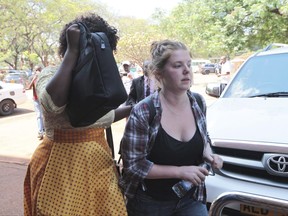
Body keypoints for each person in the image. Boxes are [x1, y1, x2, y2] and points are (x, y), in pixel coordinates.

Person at [23, 13, 129, 216]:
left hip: (97, 163)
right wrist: (73, 52)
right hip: (59, 167)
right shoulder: (50, 73)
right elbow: (52, 104)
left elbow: (101, 119)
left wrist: (135, 107)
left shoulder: (98, 81)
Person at [119, 39, 223, 216]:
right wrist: (179, 172)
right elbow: (134, 166)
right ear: (159, 74)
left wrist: (209, 153)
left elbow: (203, 136)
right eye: (177, 65)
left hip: (191, 199)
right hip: (150, 204)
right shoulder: (144, 111)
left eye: (189, 64)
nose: (186, 70)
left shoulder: (198, 102)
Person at [26, 66, 45, 140]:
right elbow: (29, 87)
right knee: (39, 115)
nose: (37, 71)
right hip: (36, 99)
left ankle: (44, 130)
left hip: (42, 99)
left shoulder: (43, 77)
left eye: (38, 70)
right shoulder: (33, 78)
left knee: (44, 115)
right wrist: (34, 78)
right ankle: (40, 132)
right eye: (36, 70)